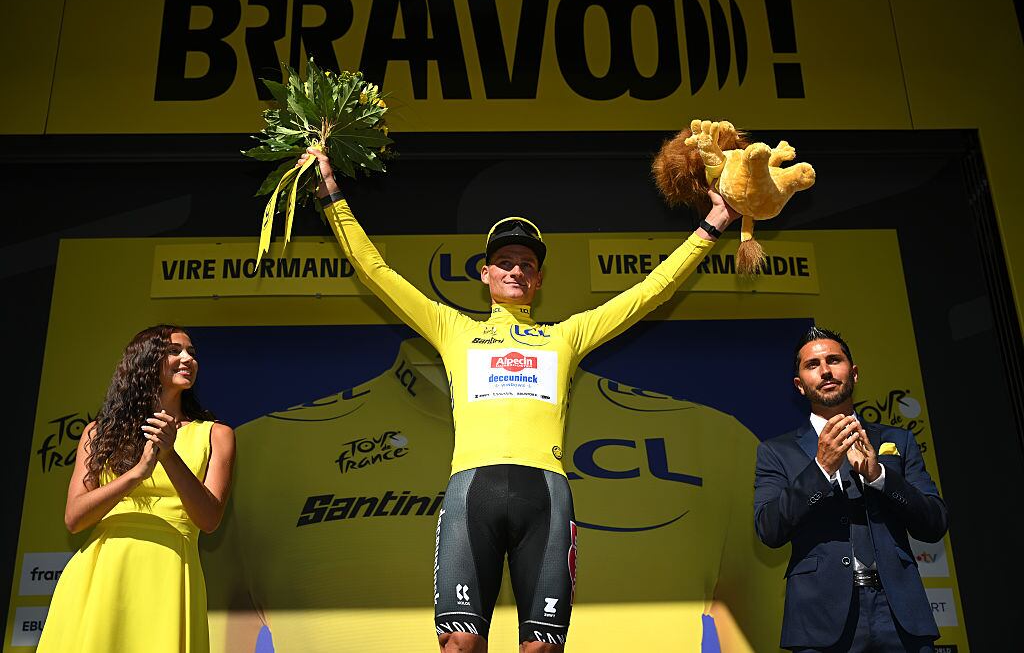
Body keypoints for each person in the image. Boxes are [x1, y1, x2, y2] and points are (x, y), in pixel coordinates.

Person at [300, 146, 738, 652]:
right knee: (460, 646)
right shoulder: (452, 328)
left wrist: (714, 223)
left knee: (543, 649)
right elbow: (374, 270)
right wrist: (330, 194)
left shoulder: (566, 336)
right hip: (472, 495)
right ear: (484, 274)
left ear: (539, 278)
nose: (514, 270)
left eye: (526, 263)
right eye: (503, 262)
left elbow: (650, 291)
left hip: (546, 497)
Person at [37, 325, 236, 653]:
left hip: (170, 572)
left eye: (192, 353)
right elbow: (74, 518)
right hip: (102, 573)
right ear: (146, 361)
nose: (188, 358)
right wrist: (133, 476)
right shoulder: (99, 432)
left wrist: (169, 456)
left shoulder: (216, 434)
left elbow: (209, 519)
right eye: (174, 351)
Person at [754, 327, 948, 652]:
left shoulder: (896, 441)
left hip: (900, 616)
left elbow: (934, 524)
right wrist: (821, 469)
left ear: (854, 373)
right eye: (813, 365)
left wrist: (880, 477)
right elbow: (769, 529)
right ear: (799, 386)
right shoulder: (776, 451)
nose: (826, 370)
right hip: (821, 620)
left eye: (834, 360)